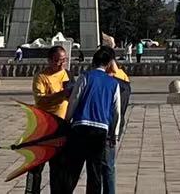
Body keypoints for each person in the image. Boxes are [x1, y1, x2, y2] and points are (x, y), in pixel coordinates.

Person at [53, 47, 124, 194]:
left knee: (73, 169)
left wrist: (67, 121)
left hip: (81, 126)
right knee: (94, 171)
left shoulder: (85, 77)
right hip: (100, 130)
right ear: (109, 64)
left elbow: (74, 100)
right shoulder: (114, 83)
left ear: (94, 61)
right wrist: (114, 134)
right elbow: (116, 111)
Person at [26, 47, 72, 194]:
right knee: (36, 166)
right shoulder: (41, 77)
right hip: (44, 127)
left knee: (58, 166)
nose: (62, 64)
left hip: (62, 128)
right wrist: (61, 94)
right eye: (58, 61)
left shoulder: (68, 75)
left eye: (64, 60)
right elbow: (40, 100)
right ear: (50, 60)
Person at [99, 38, 132, 194]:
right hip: (114, 125)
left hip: (107, 125)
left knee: (105, 165)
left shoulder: (113, 80)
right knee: (107, 164)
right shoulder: (123, 76)